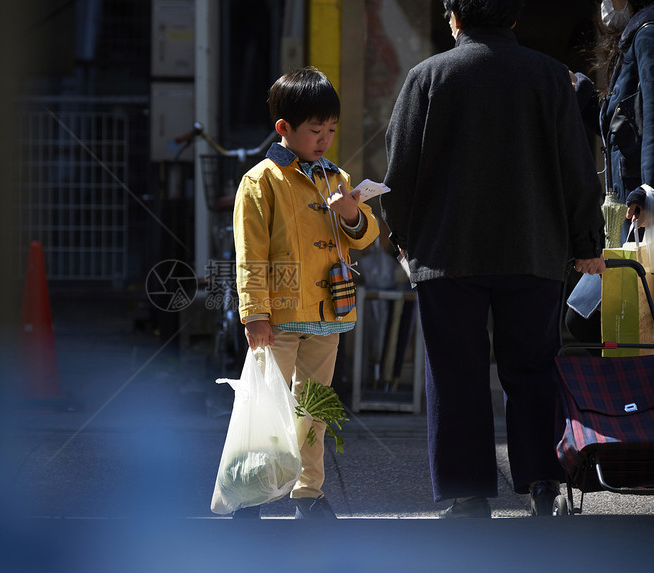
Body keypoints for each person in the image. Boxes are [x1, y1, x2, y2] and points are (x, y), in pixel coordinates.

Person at [380, 0, 606, 518]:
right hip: (533, 248)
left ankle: (468, 493)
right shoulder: (550, 77)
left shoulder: (427, 77)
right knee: (532, 369)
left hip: (447, 253)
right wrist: (586, 244)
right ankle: (544, 482)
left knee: (455, 372)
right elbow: (577, 167)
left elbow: (401, 171)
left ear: (454, 19)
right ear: (513, 18)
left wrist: (407, 240)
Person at [232, 66, 380, 519]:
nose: (325, 139)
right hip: (276, 316)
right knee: (266, 408)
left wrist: (353, 213)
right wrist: (254, 311)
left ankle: (308, 491)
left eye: (331, 130)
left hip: (329, 312)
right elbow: (249, 253)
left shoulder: (336, 178)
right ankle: (252, 493)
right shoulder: (261, 180)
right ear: (284, 129)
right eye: (315, 130)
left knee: (314, 406)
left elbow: (365, 236)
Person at [566, 0, 654, 343]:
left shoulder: (647, 34)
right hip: (631, 221)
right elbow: (623, 131)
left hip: (640, 219)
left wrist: (647, 192)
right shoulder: (637, 36)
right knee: (608, 326)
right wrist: (586, 98)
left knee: (594, 323)